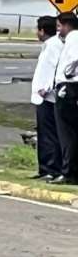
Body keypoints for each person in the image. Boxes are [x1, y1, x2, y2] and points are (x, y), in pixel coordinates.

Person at [30, 15, 63, 181]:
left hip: (48, 96)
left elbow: (55, 68)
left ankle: (51, 168)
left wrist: (46, 88)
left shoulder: (53, 46)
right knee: (44, 133)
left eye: (38, 29)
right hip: (43, 95)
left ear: (42, 30)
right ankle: (45, 168)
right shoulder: (49, 45)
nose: (37, 33)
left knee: (49, 134)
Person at [51, 12, 78, 184]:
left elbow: (75, 58)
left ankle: (69, 173)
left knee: (67, 133)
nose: (58, 31)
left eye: (59, 26)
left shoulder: (74, 38)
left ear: (67, 25)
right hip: (71, 87)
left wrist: (67, 74)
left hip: (69, 87)